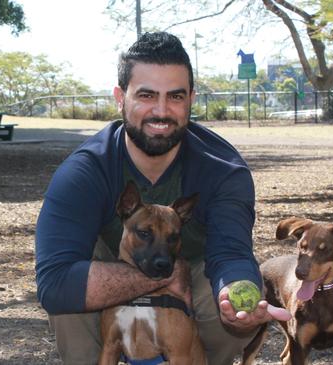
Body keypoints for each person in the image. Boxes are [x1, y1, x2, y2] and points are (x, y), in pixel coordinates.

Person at [34, 32, 291, 364]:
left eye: (175, 96)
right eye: (146, 94)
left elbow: (231, 252)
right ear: (119, 97)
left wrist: (234, 294)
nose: (161, 110)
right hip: (118, 261)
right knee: (69, 297)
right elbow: (54, 284)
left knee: (225, 313)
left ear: (191, 99)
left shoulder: (224, 170)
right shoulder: (85, 171)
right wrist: (163, 274)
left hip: (196, 268)